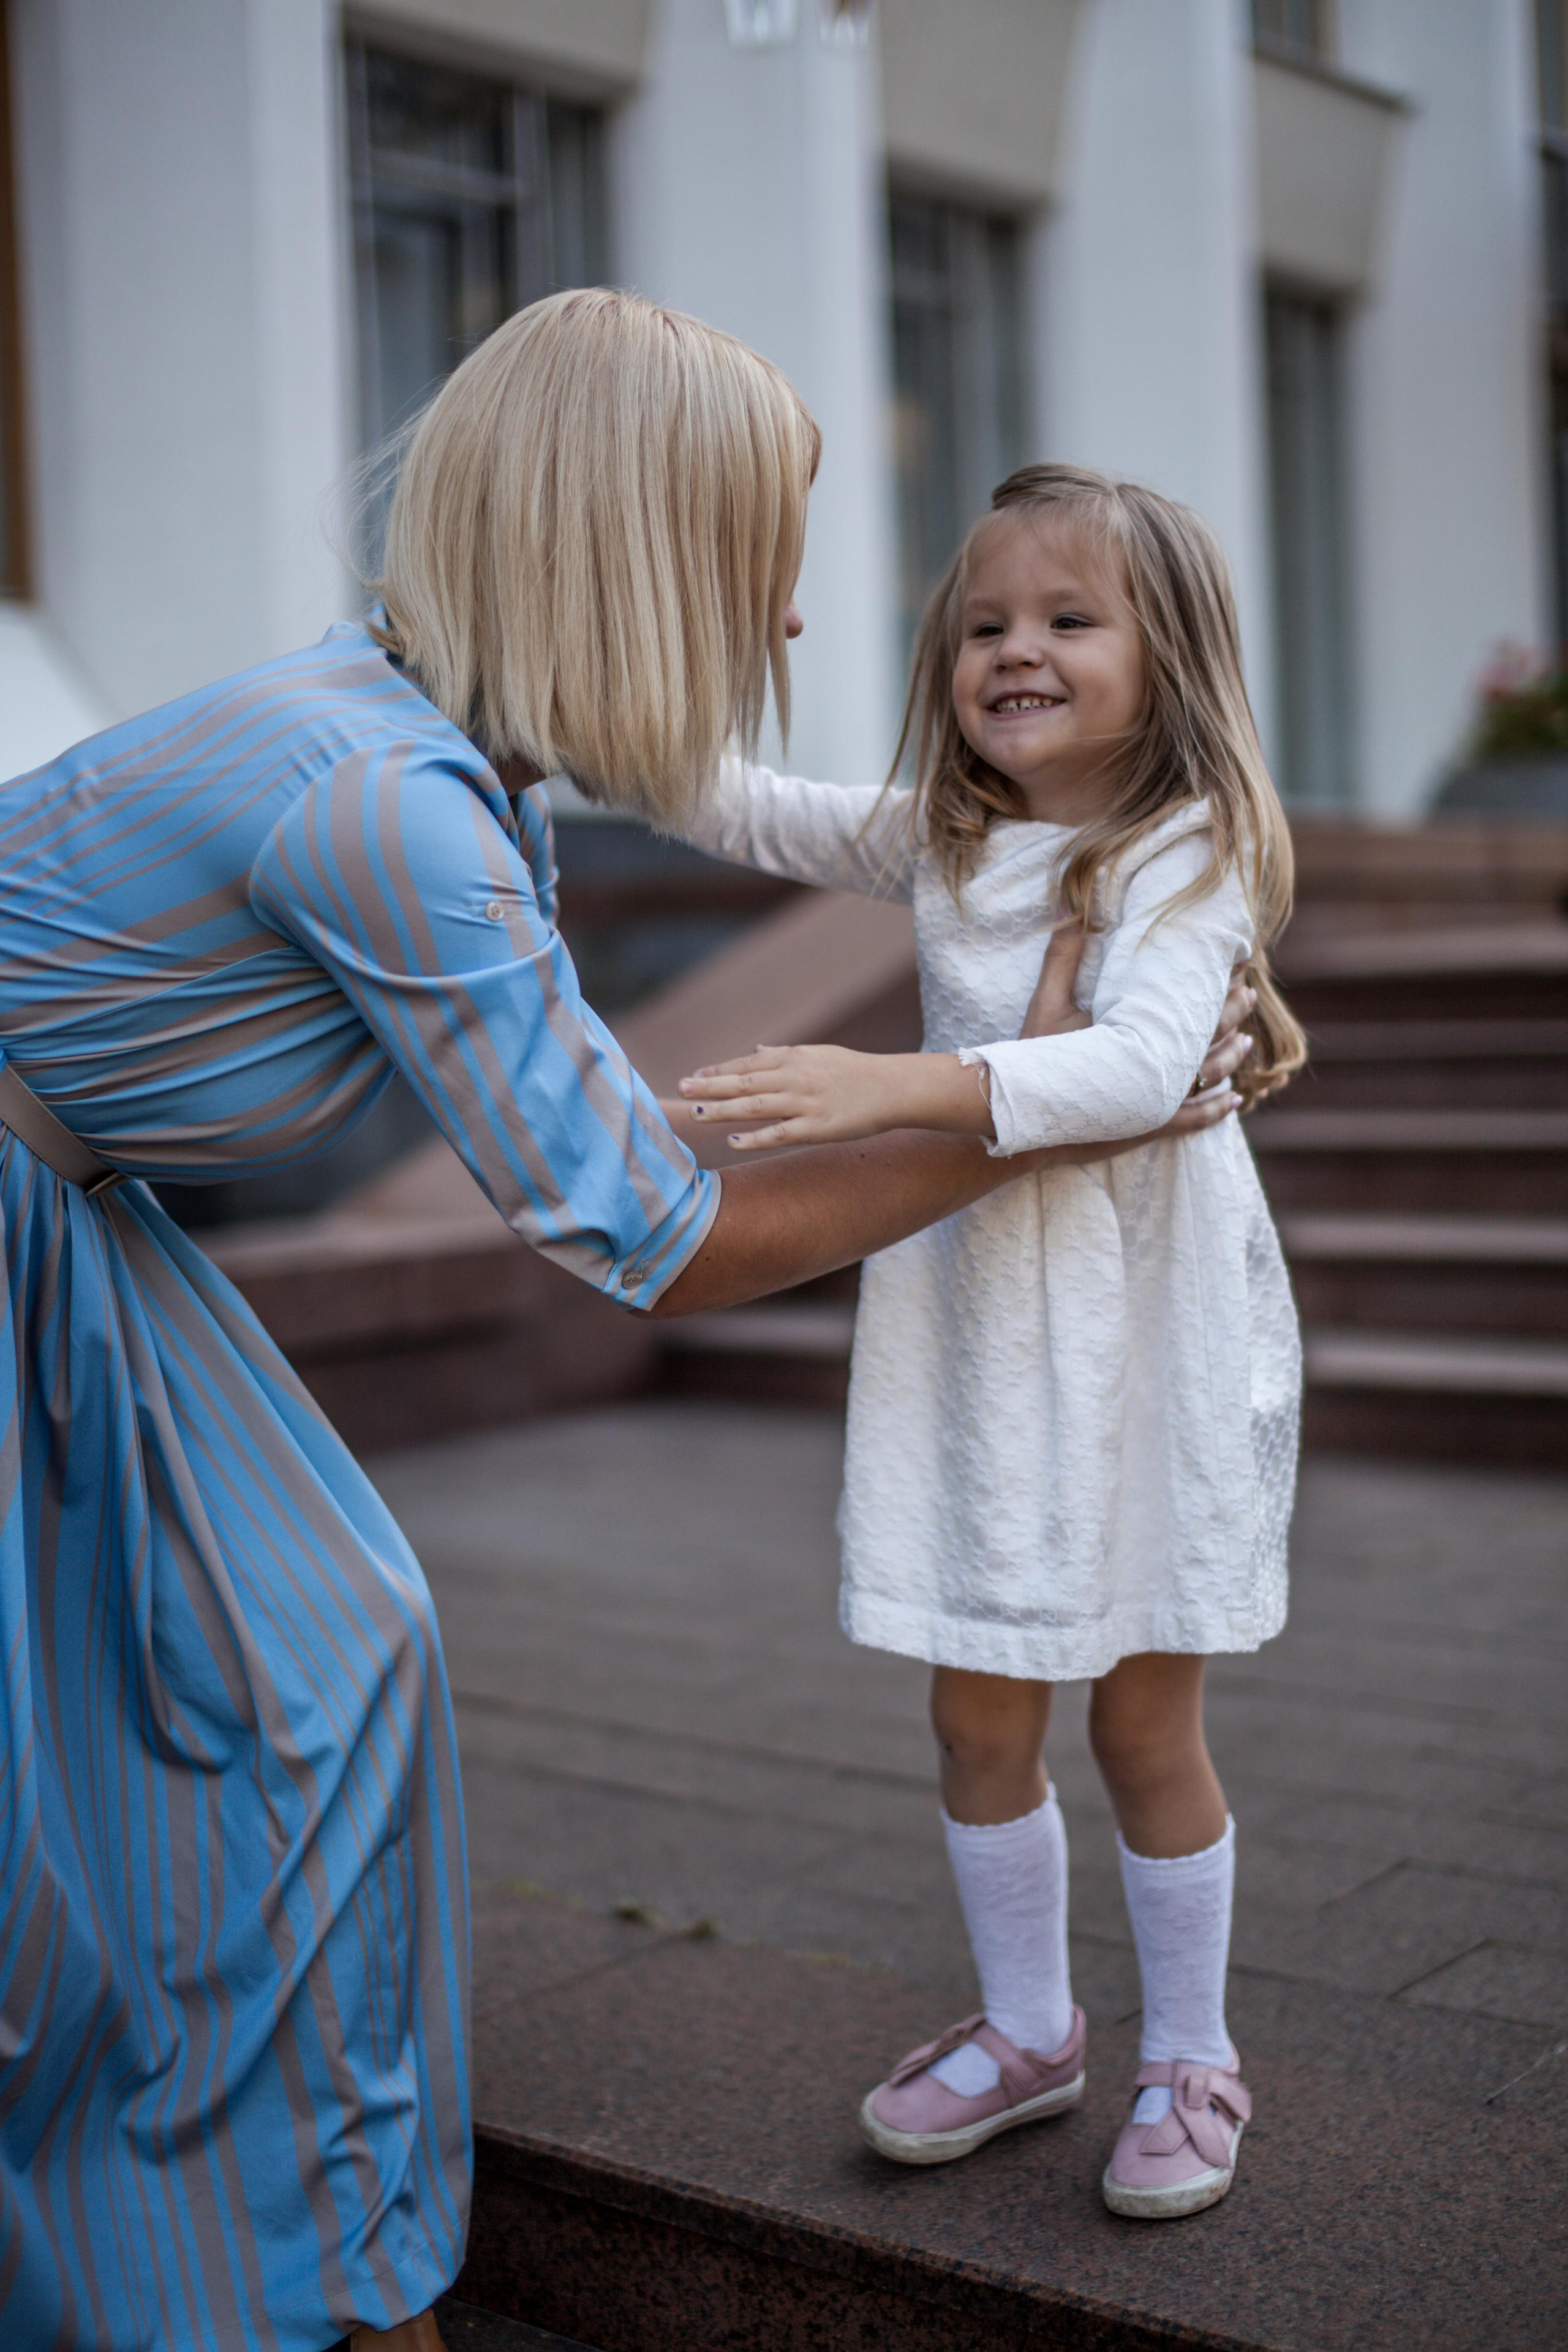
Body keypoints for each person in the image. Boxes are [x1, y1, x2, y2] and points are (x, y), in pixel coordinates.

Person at [0, 307, 1249, 2352]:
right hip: (30, 1231)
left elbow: (612, 1125)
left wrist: (980, 1098)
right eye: (760, 549)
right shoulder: (386, 802)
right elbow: (648, 1237)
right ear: (640, 549)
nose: (784, 608)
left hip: (63, 1230)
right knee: (220, 1729)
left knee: (326, 1660)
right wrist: (1002, 1112)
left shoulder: (444, 769)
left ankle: (278, 2244)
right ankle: (256, 2261)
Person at [676, 462, 1305, 2221]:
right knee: (975, 1709)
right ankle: (1034, 2028)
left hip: (1147, 1334)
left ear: (1166, 657)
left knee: (1143, 1722)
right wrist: (580, 693)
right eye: (983, 624)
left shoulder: (1188, 849)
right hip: (984, 1331)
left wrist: (885, 1082)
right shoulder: (944, 837)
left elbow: (1129, 1068)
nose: (1014, 649)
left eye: (1066, 619)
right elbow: (748, 808)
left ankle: (1194, 2050)